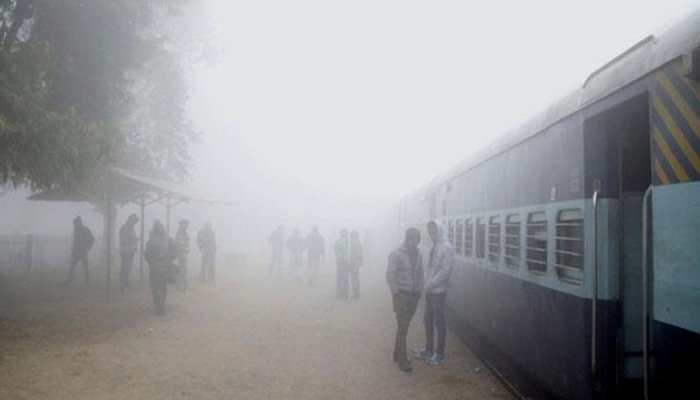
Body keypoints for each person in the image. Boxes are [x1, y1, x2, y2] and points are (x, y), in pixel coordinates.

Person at [416, 220, 455, 366]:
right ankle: (429, 349)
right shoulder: (434, 246)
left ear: (439, 230)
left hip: (438, 291)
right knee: (428, 320)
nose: (431, 234)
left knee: (439, 322)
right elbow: (430, 267)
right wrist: (426, 283)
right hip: (430, 290)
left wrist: (430, 284)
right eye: (430, 231)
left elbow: (445, 272)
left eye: (434, 231)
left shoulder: (447, 248)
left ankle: (439, 354)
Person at [386, 227, 424, 372]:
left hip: (414, 295)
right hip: (401, 295)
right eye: (412, 240)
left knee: (404, 327)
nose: (415, 244)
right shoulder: (396, 254)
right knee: (403, 328)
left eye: (417, 241)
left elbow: (420, 273)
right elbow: (389, 275)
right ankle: (403, 360)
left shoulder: (419, 254)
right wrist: (396, 293)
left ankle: (396, 354)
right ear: (407, 239)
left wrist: (420, 290)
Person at [144, 220, 176, 316]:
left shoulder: (151, 241)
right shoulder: (168, 239)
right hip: (165, 266)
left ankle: (158, 306)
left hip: (154, 266)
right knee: (162, 287)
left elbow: (147, 255)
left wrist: (151, 262)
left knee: (155, 287)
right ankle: (161, 306)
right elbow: (174, 254)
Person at [64, 216, 95, 287]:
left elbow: (92, 239)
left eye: (75, 223)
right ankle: (69, 280)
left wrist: (87, 248)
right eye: (74, 224)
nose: (74, 225)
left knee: (84, 267)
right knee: (72, 267)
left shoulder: (85, 230)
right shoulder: (77, 230)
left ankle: (87, 282)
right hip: (77, 251)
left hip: (82, 251)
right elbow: (76, 241)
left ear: (79, 223)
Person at [118, 214, 139, 293]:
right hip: (126, 250)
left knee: (126, 267)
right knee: (126, 267)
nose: (135, 223)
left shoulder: (128, 227)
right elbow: (124, 239)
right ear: (131, 220)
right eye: (134, 222)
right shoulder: (126, 228)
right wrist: (134, 240)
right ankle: (123, 283)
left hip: (128, 250)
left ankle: (125, 282)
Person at [334, 229, 351, 300]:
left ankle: (339, 293)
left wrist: (338, 257)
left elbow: (335, 251)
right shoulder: (348, 242)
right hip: (345, 261)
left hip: (340, 261)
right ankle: (345, 293)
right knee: (345, 277)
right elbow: (349, 253)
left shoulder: (337, 242)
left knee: (340, 277)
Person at [174, 219, 191, 290]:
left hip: (184, 253)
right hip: (181, 253)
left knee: (183, 269)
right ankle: (181, 285)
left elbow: (187, 243)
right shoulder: (179, 233)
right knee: (182, 269)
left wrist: (187, 250)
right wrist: (183, 251)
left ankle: (183, 285)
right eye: (185, 224)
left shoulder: (185, 233)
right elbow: (179, 244)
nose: (187, 226)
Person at [349, 230, 363, 298]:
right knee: (356, 277)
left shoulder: (352, 243)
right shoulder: (359, 243)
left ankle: (356, 293)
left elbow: (350, 254)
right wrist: (360, 262)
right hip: (356, 262)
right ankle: (357, 292)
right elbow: (361, 254)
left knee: (353, 278)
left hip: (353, 262)